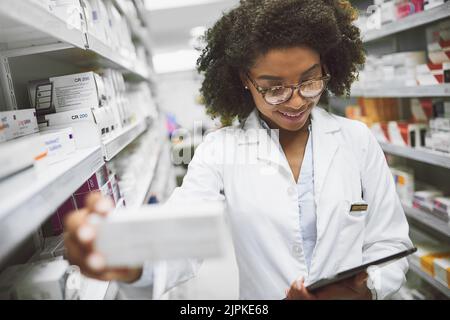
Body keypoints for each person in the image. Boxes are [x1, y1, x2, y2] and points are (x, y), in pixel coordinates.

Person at [64, 0, 413, 300]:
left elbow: (391, 243)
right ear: (246, 80)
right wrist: (134, 262)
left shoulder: (356, 139)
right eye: (274, 89)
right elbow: (184, 237)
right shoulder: (219, 150)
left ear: (327, 67)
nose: (295, 101)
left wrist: (367, 290)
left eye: (309, 81)